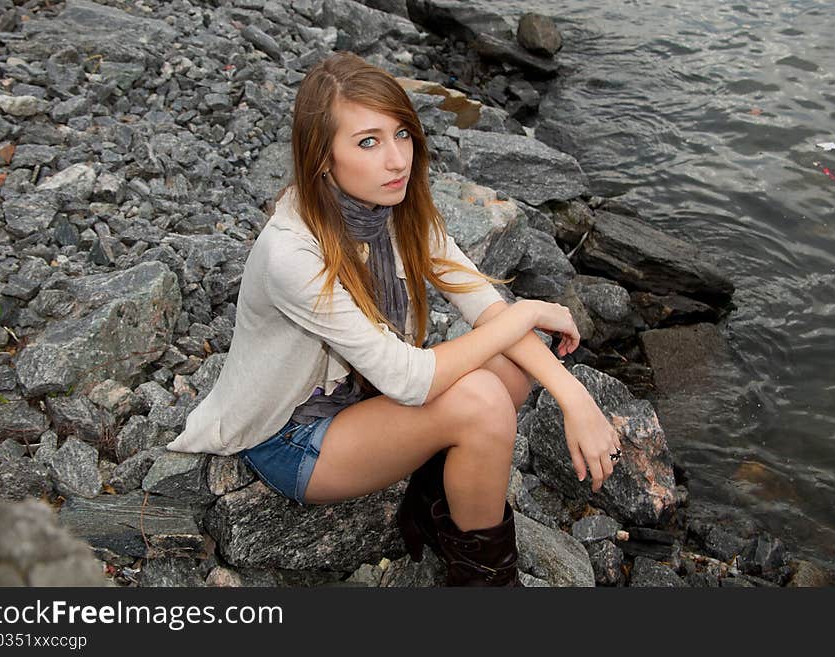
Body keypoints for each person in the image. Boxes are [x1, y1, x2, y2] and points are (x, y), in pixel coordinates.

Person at [167, 51, 623, 587]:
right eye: (368, 142)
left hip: (362, 397)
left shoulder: (397, 210)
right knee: (480, 400)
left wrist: (571, 393)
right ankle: (482, 584)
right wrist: (529, 314)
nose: (397, 160)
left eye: (401, 134)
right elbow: (409, 379)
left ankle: (433, 504)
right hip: (292, 437)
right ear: (322, 158)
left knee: (510, 366)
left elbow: (484, 307)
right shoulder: (291, 254)